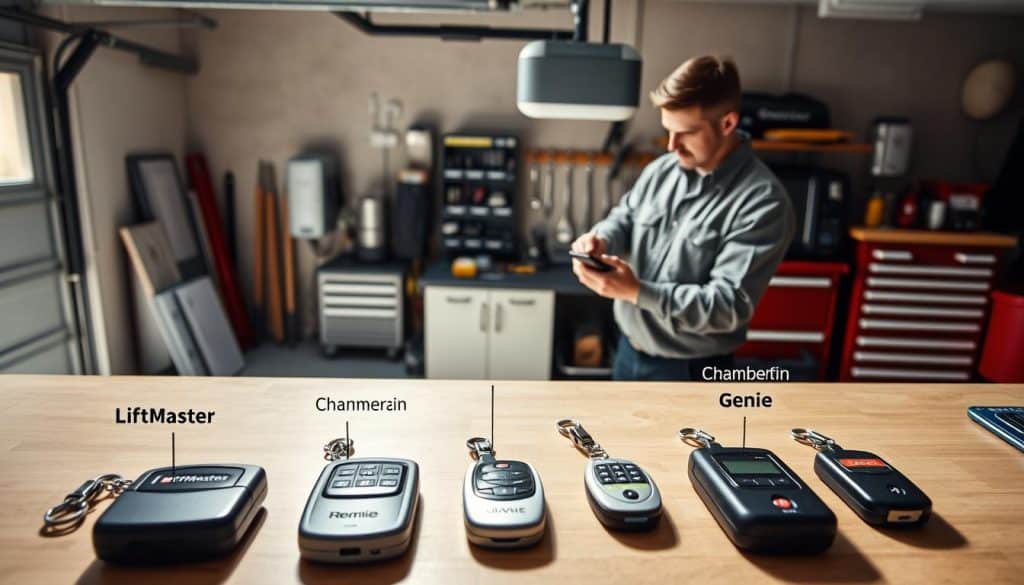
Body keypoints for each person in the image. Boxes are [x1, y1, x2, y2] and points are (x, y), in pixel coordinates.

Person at [571, 55, 795, 381]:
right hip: (627, 353)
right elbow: (626, 217)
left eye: (685, 133)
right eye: (668, 131)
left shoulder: (763, 203)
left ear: (728, 123)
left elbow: (727, 306)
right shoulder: (663, 170)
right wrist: (601, 238)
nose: (672, 145)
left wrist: (636, 291)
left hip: (690, 372)